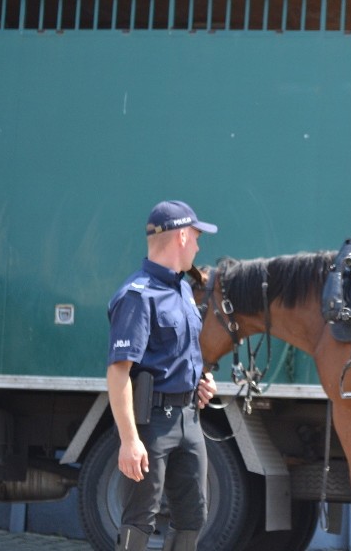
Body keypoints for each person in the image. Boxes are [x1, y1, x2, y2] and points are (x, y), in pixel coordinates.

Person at [107, 200, 220, 551]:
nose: (199, 246)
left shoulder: (183, 290)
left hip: (189, 419)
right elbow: (118, 373)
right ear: (182, 236)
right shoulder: (137, 296)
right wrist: (129, 440)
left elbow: (180, 354)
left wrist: (202, 382)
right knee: (141, 517)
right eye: (197, 238)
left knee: (194, 517)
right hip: (153, 423)